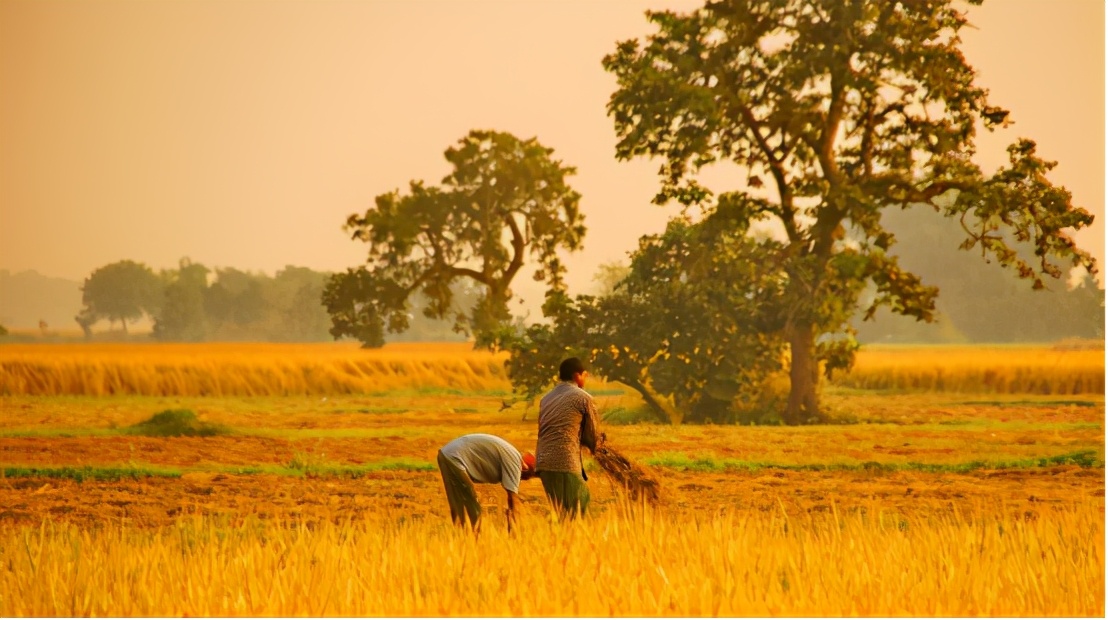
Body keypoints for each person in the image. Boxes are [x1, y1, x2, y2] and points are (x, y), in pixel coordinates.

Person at [535, 357, 602, 519]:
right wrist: (600, 450)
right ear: (577, 375)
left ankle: (558, 542)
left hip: (543, 462)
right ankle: (572, 542)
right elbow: (592, 434)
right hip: (564, 460)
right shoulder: (583, 397)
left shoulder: (546, 398)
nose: (585, 379)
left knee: (561, 512)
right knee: (580, 505)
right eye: (585, 375)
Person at [436, 433, 536, 532]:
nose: (519, 480)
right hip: (454, 457)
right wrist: (514, 534)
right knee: (470, 510)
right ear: (525, 469)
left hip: (450, 454)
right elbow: (514, 501)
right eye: (524, 478)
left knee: (463, 507)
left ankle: (464, 539)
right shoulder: (515, 463)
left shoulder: (512, 455)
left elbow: (511, 503)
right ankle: (470, 543)